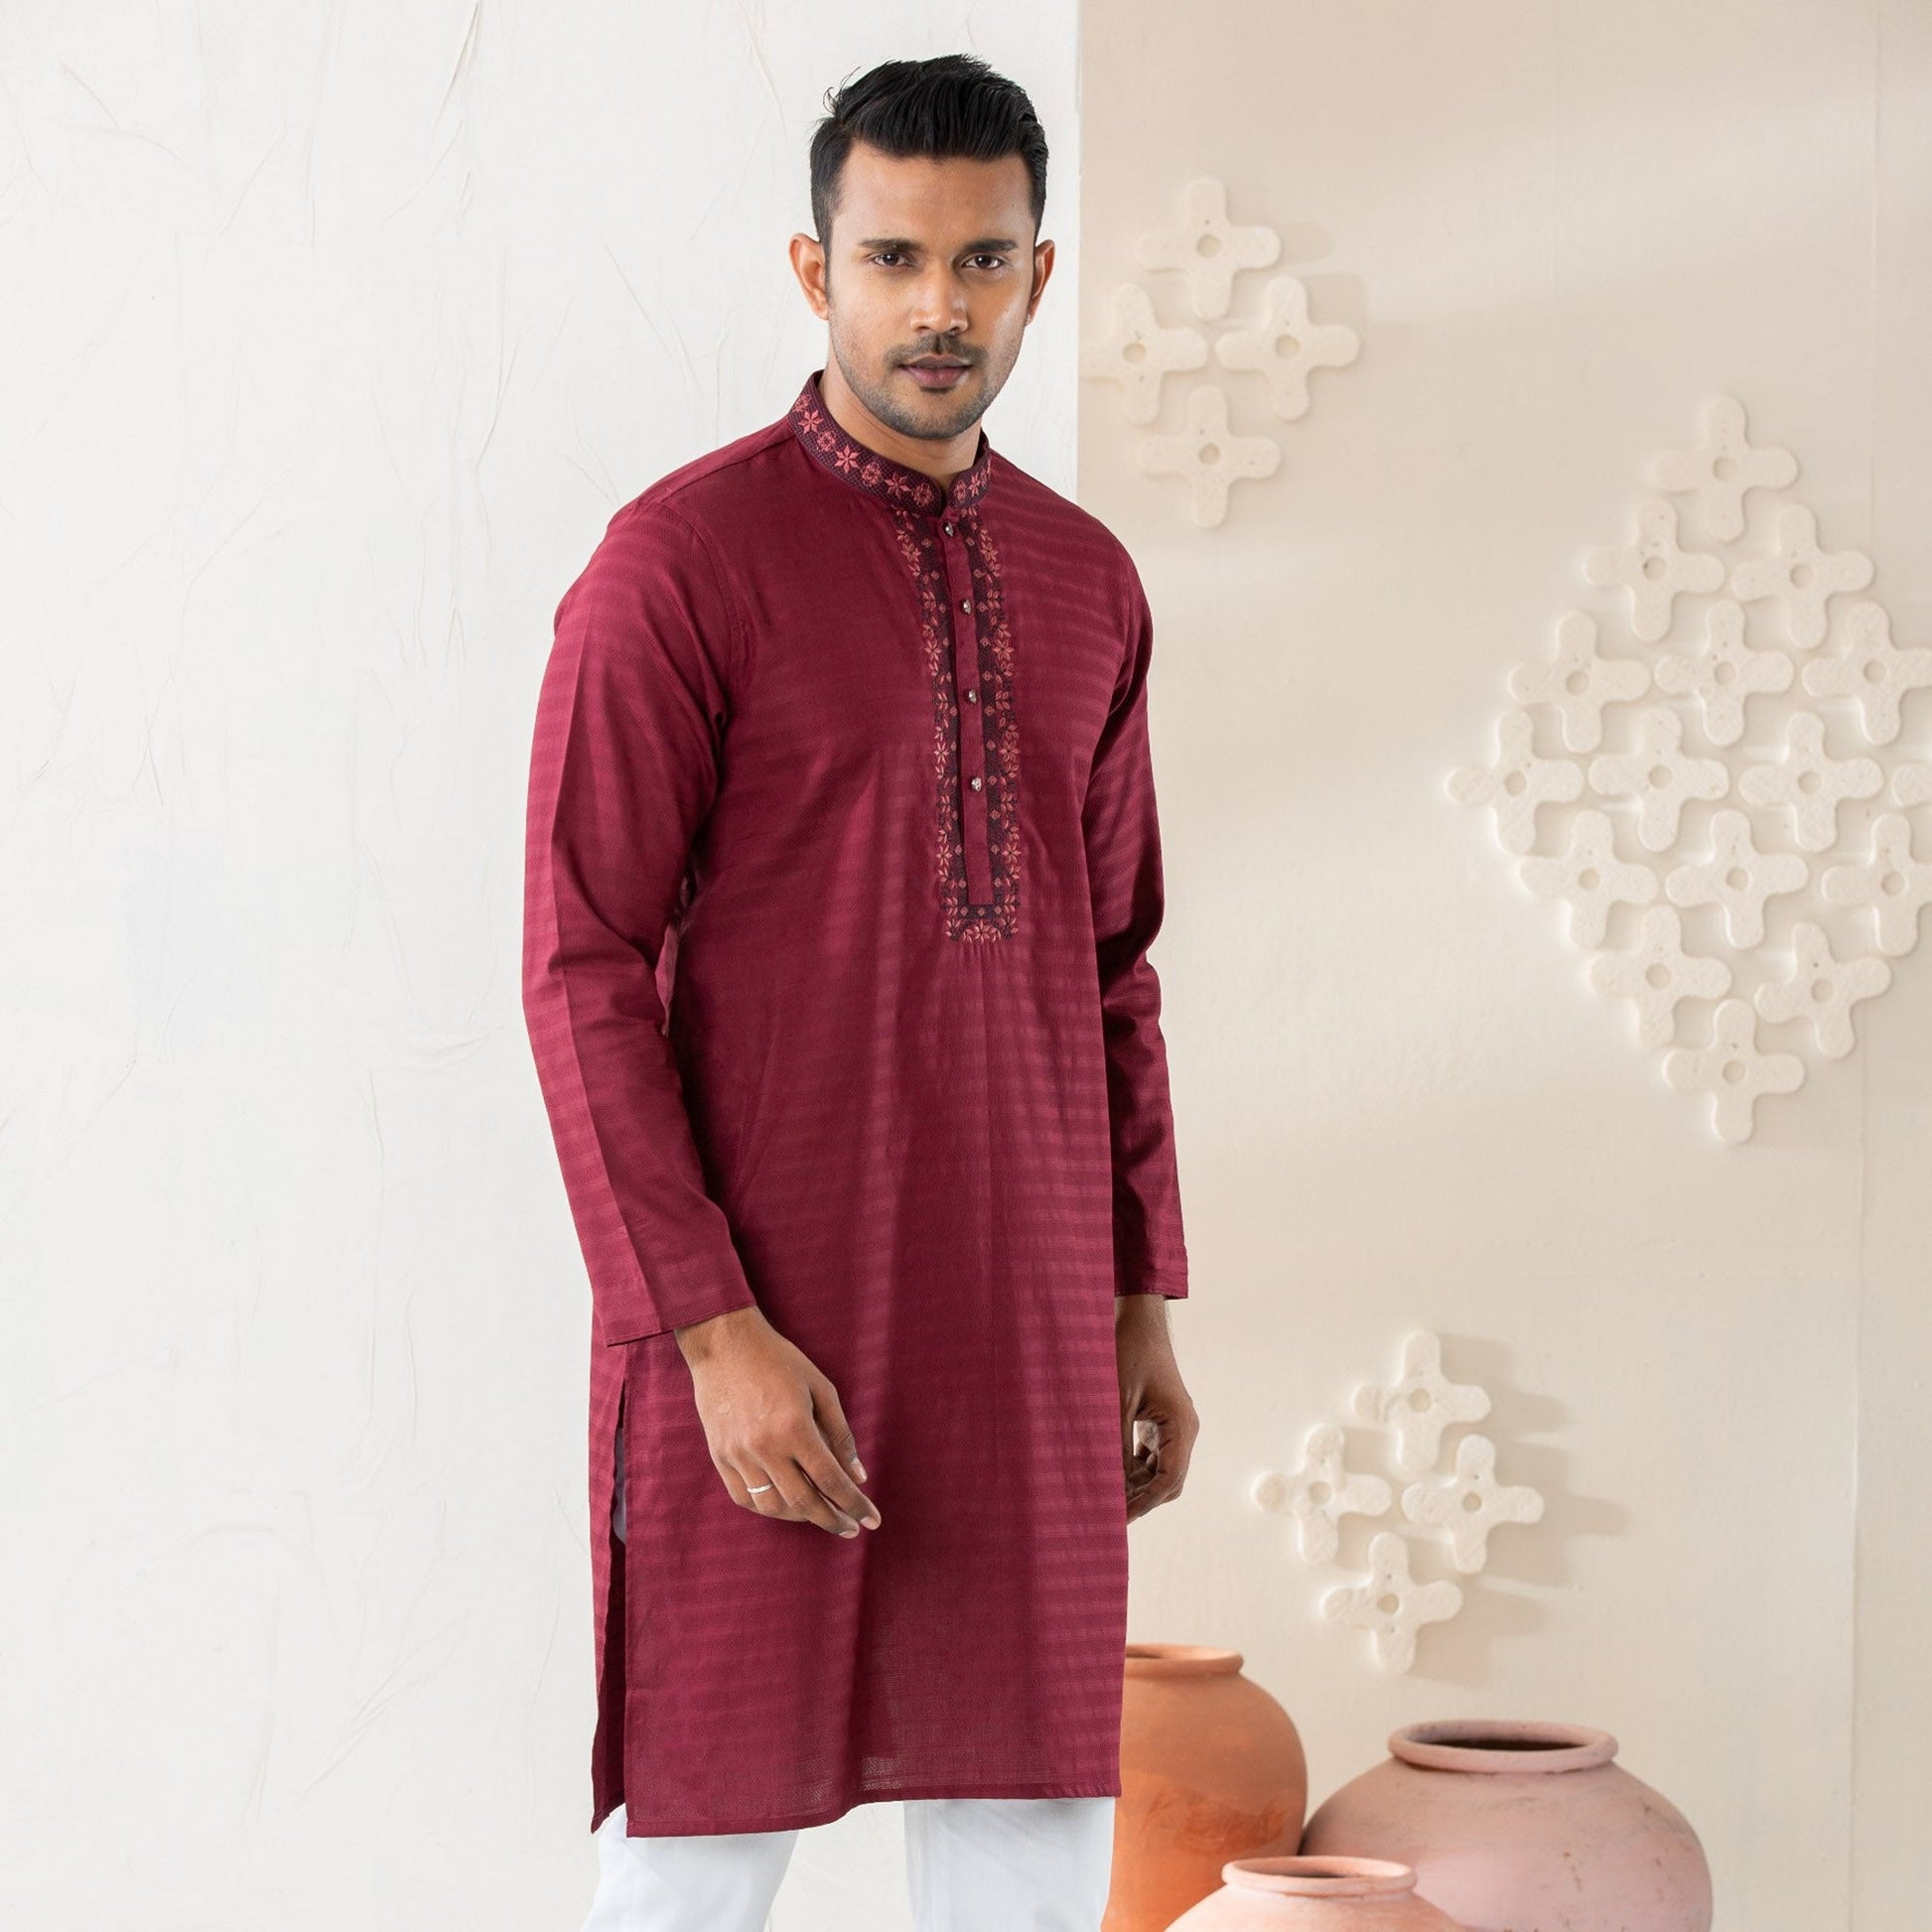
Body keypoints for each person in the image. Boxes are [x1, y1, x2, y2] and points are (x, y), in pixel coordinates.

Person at [520, 52, 1199, 1932]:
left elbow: (1114, 968)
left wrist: (1137, 1297)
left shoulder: (1085, 581)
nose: (938, 307)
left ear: (1037, 276)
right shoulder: (679, 565)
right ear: (816, 271)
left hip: (1027, 1327)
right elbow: (580, 968)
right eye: (894, 258)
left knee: (1030, 1856)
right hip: (767, 1317)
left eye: (980, 261)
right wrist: (705, 1332)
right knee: (691, 1863)